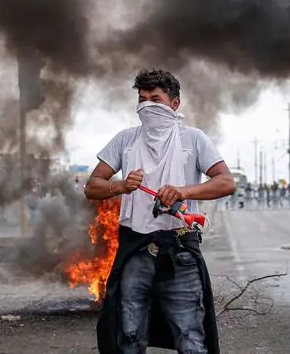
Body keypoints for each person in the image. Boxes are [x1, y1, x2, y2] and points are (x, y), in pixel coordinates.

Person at [83, 69, 235, 354]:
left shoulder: (194, 139)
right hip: (135, 249)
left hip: (179, 249)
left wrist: (184, 191)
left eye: (156, 98)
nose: (148, 105)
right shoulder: (125, 140)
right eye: (142, 99)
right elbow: (93, 186)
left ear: (175, 104)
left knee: (191, 336)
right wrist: (121, 186)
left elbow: (226, 182)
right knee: (128, 334)